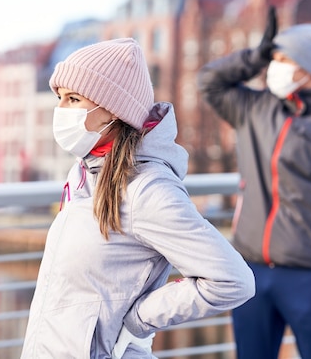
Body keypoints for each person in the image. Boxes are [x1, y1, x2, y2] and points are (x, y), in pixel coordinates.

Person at [20, 38, 255, 359]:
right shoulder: (84, 173)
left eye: (73, 99)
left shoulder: (148, 189)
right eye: (59, 97)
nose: (60, 110)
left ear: (114, 110)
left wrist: (139, 320)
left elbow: (233, 281)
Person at [197, 7, 311, 359]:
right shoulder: (255, 109)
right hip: (250, 270)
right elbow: (209, 81)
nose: (273, 67)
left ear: (307, 67)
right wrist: (254, 56)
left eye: (281, 58)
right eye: (273, 59)